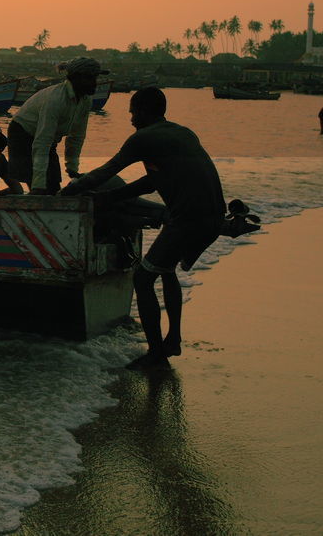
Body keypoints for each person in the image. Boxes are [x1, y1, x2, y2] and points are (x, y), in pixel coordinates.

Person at [61, 86, 225, 371]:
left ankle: (156, 355)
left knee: (143, 278)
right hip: (212, 217)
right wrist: (111, 197)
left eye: (133, 113)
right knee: (165, 269)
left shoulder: (143, 138)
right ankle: (172, 339)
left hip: (186, 219)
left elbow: (107, 171)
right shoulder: (183, 132)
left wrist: (70, 190)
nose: (132, 119)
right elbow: (153, 182)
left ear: (144, 111)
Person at [8, 57, 106, 195]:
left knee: (53, 184)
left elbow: (77, 136)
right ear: (75, 78)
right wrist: (38, 185)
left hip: (49, 138)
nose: (94, 83)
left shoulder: (85, 100)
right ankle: (35, 192)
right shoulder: (55, 100)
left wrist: (72, 168)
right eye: (90, 78)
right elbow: (42, 142)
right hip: (22, 132)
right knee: (37, 180)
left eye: (95, 78)